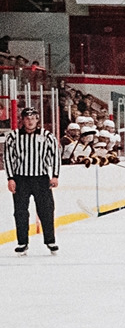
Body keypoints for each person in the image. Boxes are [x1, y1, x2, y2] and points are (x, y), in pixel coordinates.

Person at [5, 106, 60, 254]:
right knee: (20, 212)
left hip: (41, 178)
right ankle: (22, 242)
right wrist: (10, 178)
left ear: (37, 120)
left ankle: (50, 240)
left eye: (33, 118)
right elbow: (8, 158)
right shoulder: (13, 136)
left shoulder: (47, 136)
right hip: (20, 179)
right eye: (27, 118)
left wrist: (55, 175)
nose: (30, 121)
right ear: (22, 120)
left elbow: (55, 155)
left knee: (46, 210)